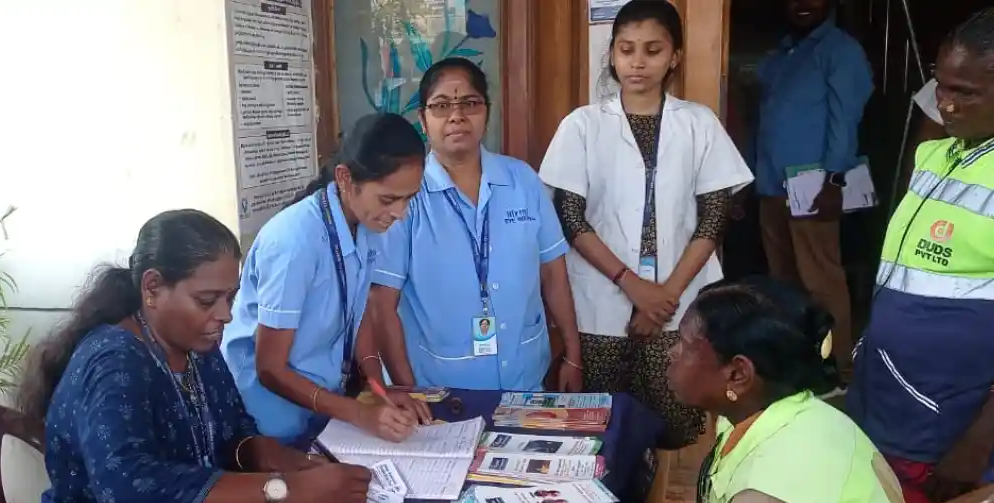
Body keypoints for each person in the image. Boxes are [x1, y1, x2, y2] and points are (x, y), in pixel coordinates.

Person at [13, 210, 374, 503]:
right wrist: (284, 490)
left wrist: (285, 461)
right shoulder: (115, 362)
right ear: (152, 288)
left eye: (230, 298)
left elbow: (235, 432)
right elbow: (130, 487)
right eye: (207, 300)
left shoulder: (197, 348)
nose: (225, 315)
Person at [538, 0, 754, 449]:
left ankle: (660, 497)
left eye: (653, 50)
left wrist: (664, 296)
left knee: (672, 425)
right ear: (612, 54)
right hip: (600, 304)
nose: (637, 62)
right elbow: (569, 217)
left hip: (678, 306)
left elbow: (714, 218)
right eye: (626, 49)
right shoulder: (582, 126)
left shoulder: (698, 123)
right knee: (599, 427)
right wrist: (634, 286)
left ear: (674, 56)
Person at [669, 276, 944, 503]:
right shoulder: (797, 412)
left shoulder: (768, 494)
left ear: (738, 374)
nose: (672, 352)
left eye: (685, 344)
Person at [847, 9, 994, 503]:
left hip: (949, 428)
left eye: (966, 92)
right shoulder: (936, 157)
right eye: (941, 85)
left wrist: (978, 441)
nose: (946, 103)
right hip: (890, 402)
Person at [369, 57, 583, 392]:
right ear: (423, 120)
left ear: (486, 112)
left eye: (469, 103)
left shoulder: (523, 180)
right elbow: (382, 303)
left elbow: (553, 273)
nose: (456, 116)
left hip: (524, 382)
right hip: (438, 391)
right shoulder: (405, 195)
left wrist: (573, 353)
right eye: (441, 106)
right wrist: (408, 391)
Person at [222, 113, 431, 444]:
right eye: (388, 199)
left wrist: (379, 390)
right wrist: (359, 413)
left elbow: (357, 311)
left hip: (322, 407)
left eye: (409, 198)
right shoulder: (294, 242)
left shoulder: (366, 224)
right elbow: (270, 369)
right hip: (268, 422)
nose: (400, 213)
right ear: (346, 178)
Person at [754, 0, 873, 392]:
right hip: (772, 185)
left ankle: (839, 371)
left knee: (821, 281)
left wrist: (835, 180)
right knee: (783, 284)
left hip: (814, 188)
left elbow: (845, 121)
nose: (802, 3)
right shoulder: (782, 54)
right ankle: (798, 368)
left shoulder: (841, 51)